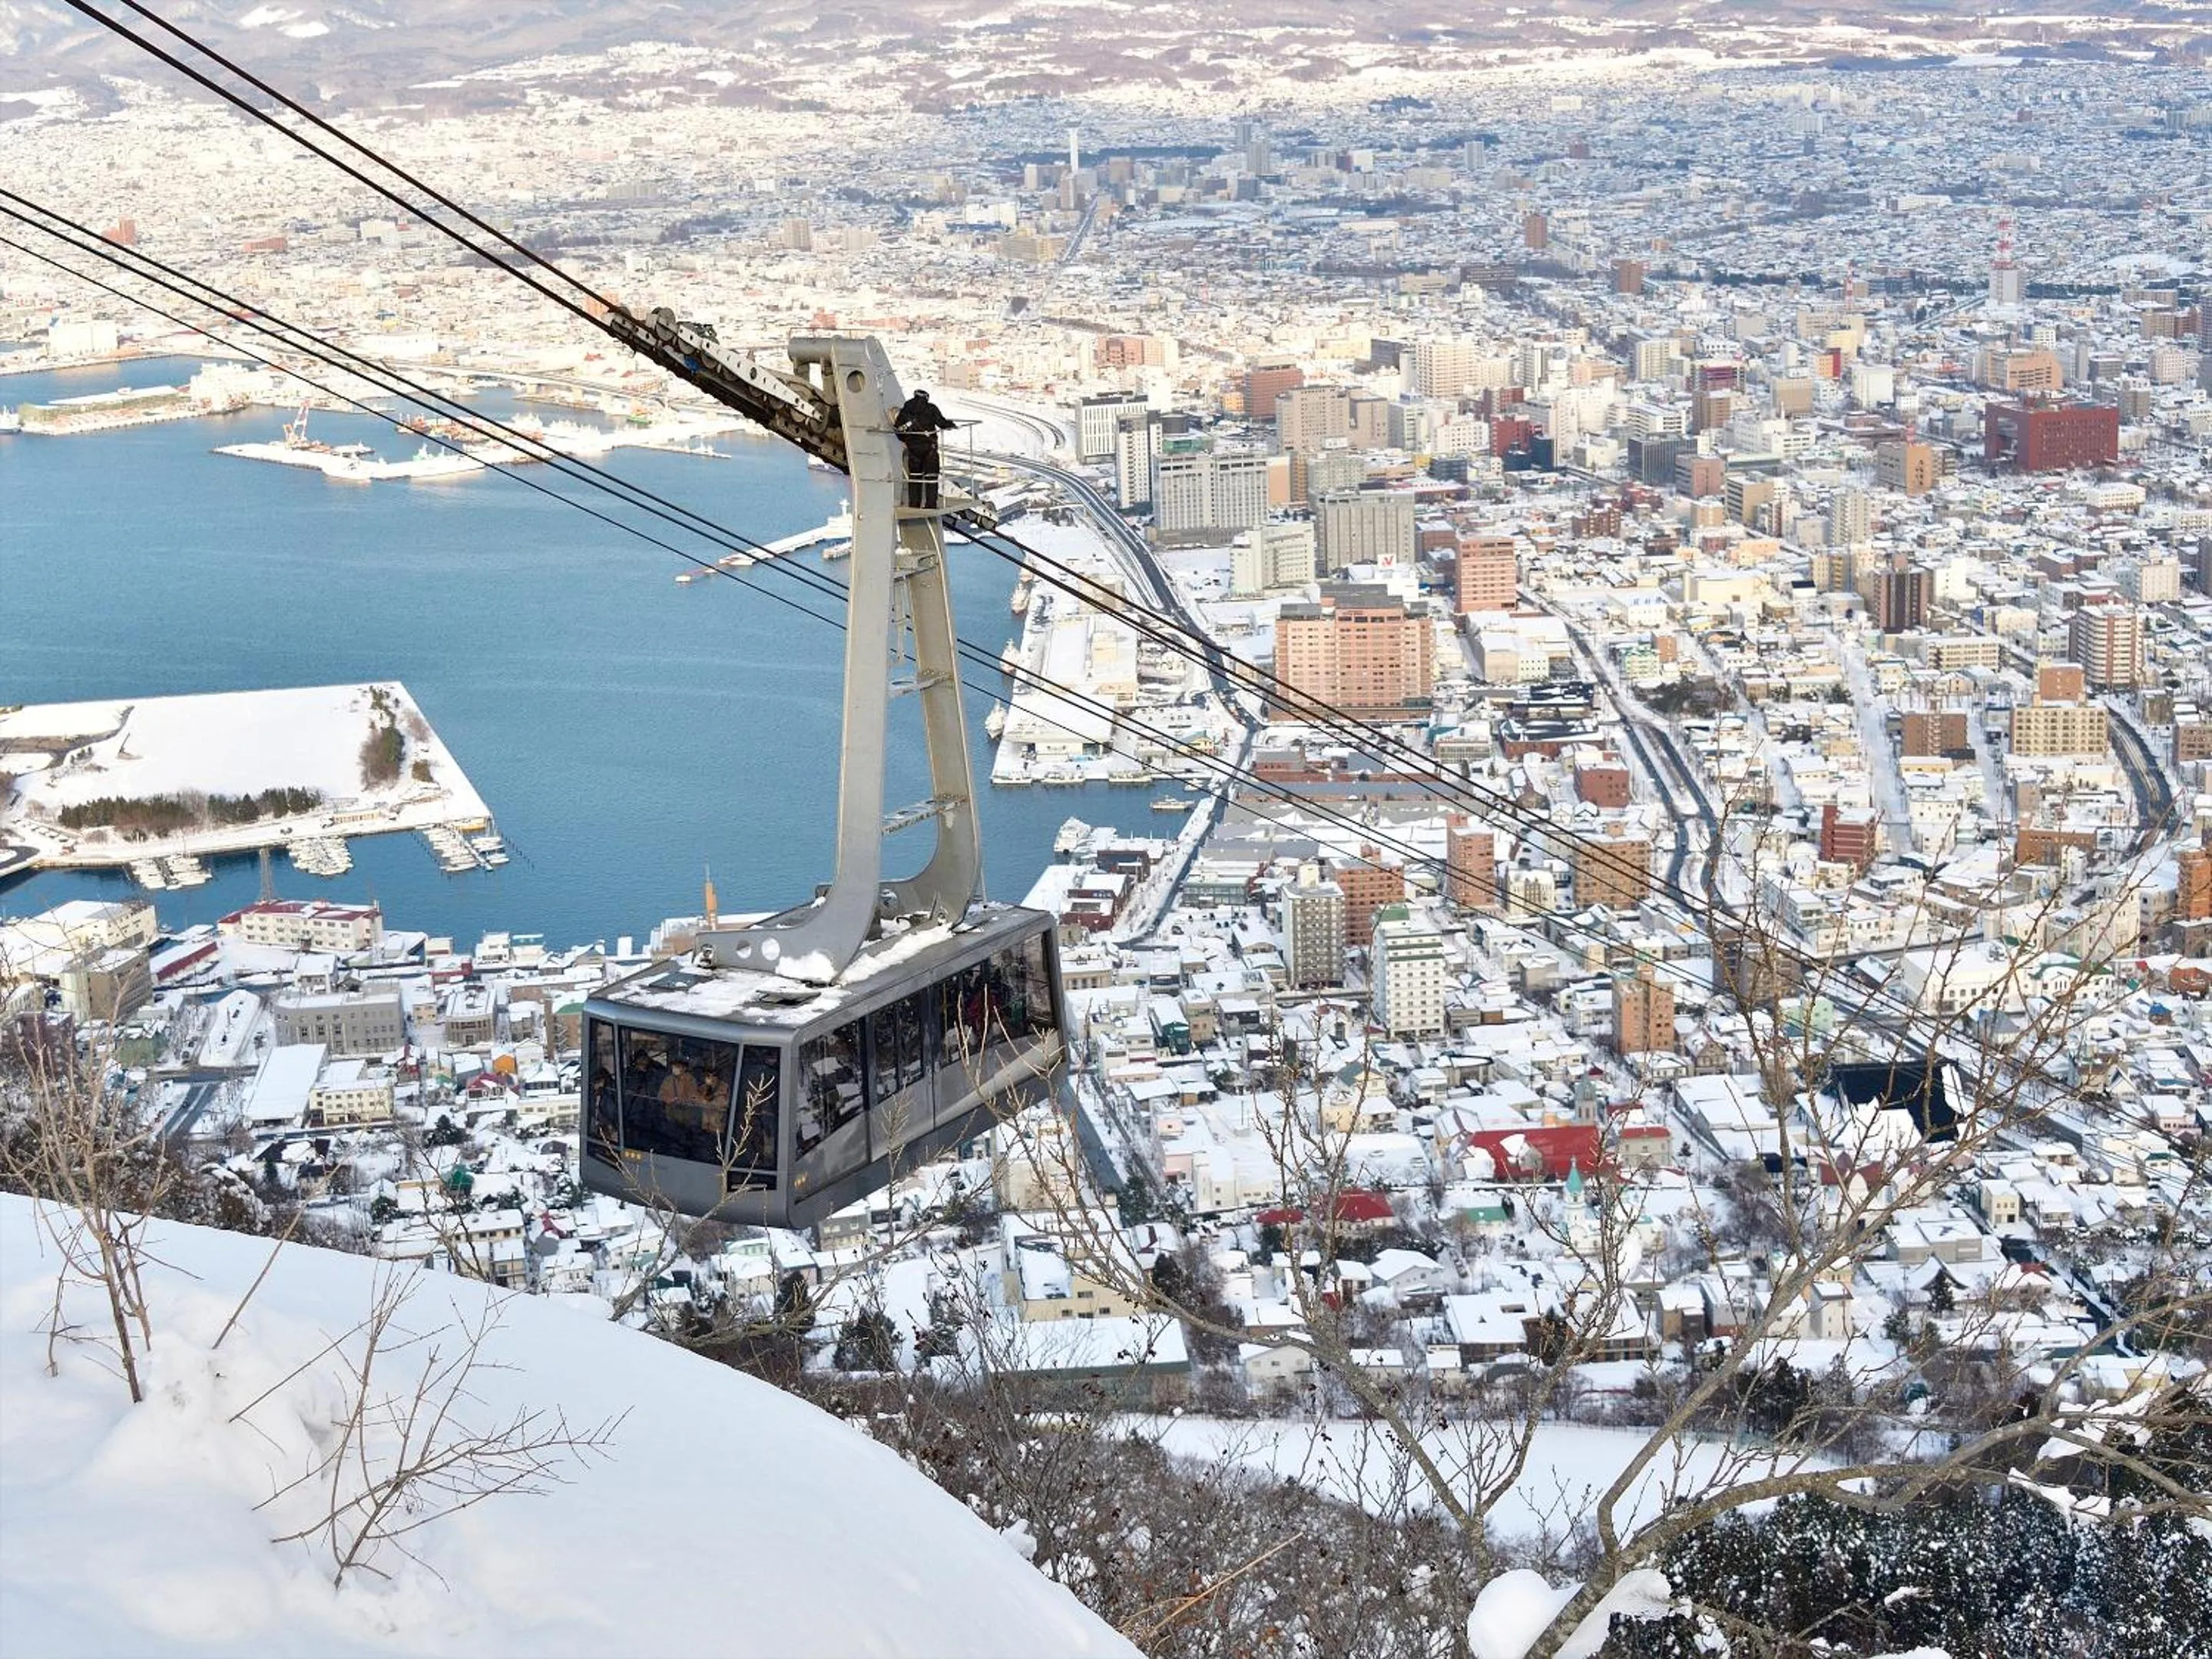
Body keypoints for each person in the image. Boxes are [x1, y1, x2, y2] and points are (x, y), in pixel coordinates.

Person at [893, 387, 959, 508]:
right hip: (930, 448)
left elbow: (898, 430)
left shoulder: (906, 410)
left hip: (913, 449)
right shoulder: (931, 408)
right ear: (926, 397)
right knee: (931, 478)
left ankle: (914, 505)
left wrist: (907, 440)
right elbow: (942, 423)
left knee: (915, 477)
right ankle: (930, 505)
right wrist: (952, 425)